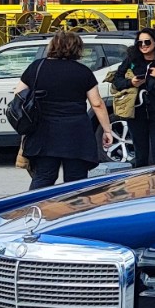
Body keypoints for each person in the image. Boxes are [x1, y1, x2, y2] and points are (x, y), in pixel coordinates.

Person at [15, 29, 112, 189]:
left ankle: (35, 210)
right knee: (76, 181)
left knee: (44, 177)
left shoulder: (37, 67)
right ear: (77, 49)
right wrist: (107, 130)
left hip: (44, 132)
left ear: (52, 46)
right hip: (76, 133)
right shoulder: (82, 71)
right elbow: (97, 103)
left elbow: (19, 93)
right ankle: (75, 211)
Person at [112, 29, 155, 167]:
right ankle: (142, 185)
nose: (143, 45)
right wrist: (130, 82)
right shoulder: (132, 60)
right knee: (140, 154)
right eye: (140, 43)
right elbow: (116, 81)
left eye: (147, 42)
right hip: (136, 113)